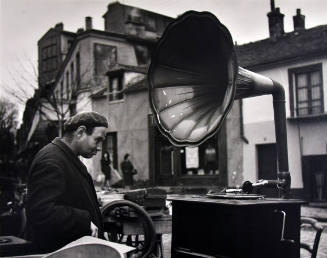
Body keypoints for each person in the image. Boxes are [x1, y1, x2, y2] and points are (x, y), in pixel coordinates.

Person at [25, 111, 108, 253]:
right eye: (97, 139)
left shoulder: (66, 157)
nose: (99, 147)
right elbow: (42, 212)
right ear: (80, 132)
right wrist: (84, 221)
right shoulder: (51, 161)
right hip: (58, 252)